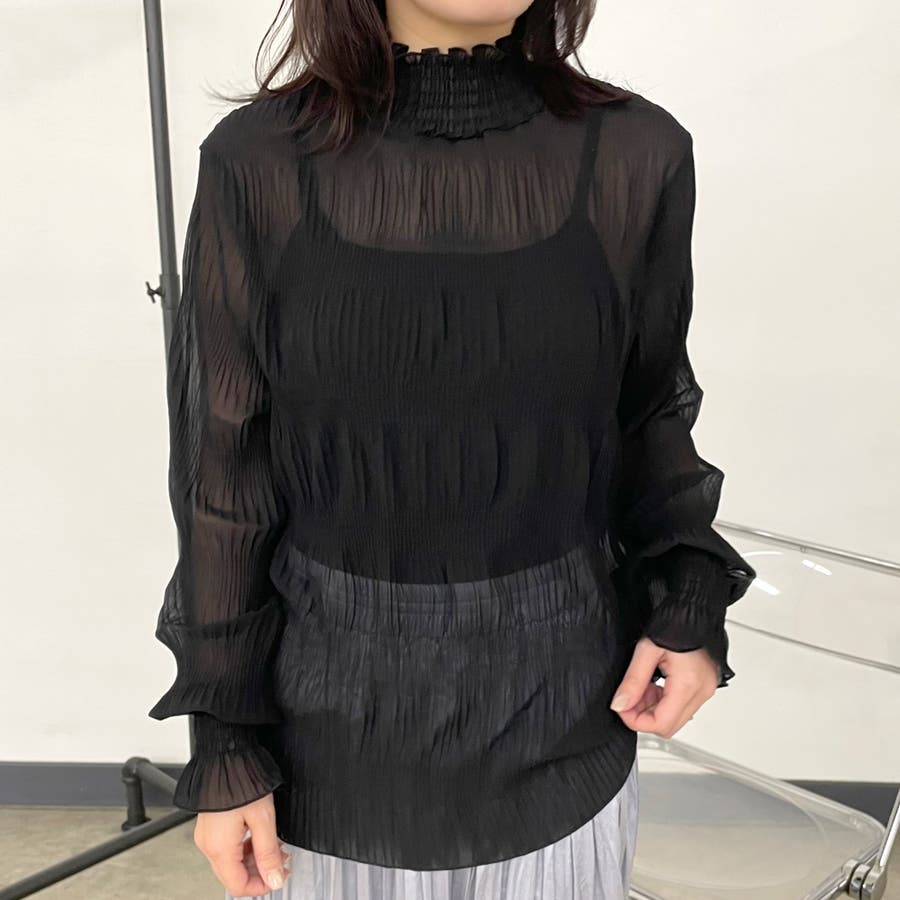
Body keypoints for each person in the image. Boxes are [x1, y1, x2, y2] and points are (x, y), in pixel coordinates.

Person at [147, 2, 757, 898]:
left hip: (566, 734)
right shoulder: (256, 162)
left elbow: (649, 418)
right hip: (324, 757)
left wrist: (689, 600)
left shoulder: (638, 153)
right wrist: (225, 738)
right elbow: (225, 480)